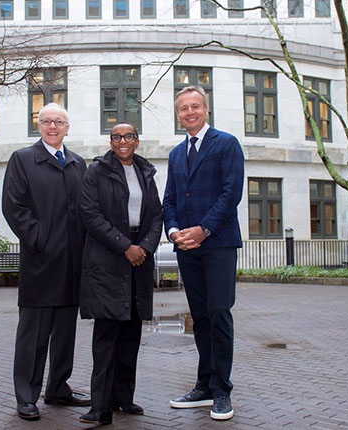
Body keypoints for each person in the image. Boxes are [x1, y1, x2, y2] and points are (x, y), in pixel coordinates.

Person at [1, 103, 91, 421]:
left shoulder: (79, 164)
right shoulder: (23, 160)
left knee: (65, 333)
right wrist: (41, 240)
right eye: (46, 121)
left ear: (68, 127)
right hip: (40, 263)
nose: (53, 126)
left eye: (59, 122)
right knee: (33, 335)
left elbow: (87, 211)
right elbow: (14, 208)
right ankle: (26, 395)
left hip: (72, 265)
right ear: (38, 125)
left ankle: (58, 388)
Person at [162, 86, 244, 421]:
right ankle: (204, 385)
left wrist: (203, 229)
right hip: (187, 248)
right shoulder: (176, 154)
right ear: (178, 114)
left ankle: (222, 390)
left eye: (195, 106)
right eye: (184, 108)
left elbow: (231, 194)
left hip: (218, 244)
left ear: (206, 110)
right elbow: (169, 199)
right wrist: (174, 230)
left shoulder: (226, 144)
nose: (190, 112)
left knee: (219, 313)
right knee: (201, 316)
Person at [77, 123, 163, 425]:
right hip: (108, 259)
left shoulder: (146, 172)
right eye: (116, 137)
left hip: (139, 259)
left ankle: (123, 399)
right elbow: (89, 214)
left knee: (131, 335)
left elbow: (156, 216)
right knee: (106, 337)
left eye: (128, 136)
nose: (122, 141)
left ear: (137, 140)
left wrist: (146, 247)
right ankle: (99, 407)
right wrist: (125, 246)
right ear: (110, 142)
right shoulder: (97, 171)